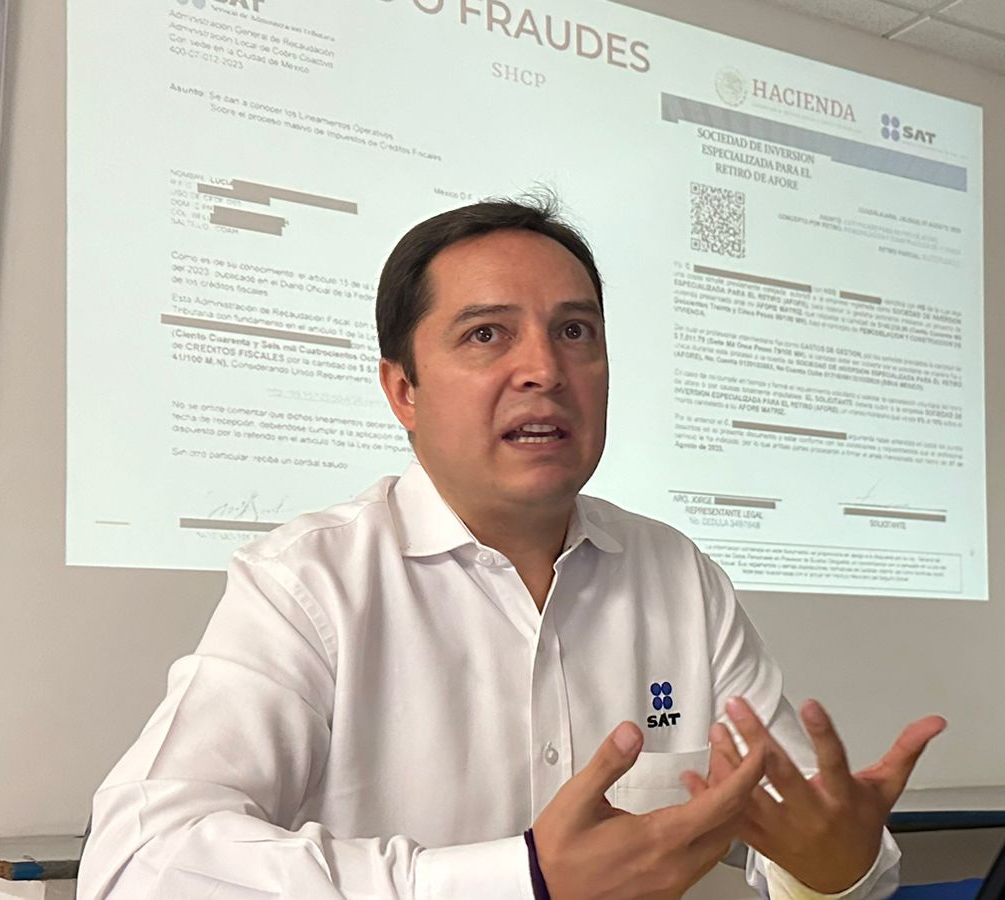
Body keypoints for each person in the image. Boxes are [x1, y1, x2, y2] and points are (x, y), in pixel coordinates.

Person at [78, 195, 946, 899]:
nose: (545, 370)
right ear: (403, 390)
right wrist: (518, 881)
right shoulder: (309, 582)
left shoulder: (678, 576)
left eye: (575, 332)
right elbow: (138, 864)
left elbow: (808, 835)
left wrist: (832, 870)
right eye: (487, 334)